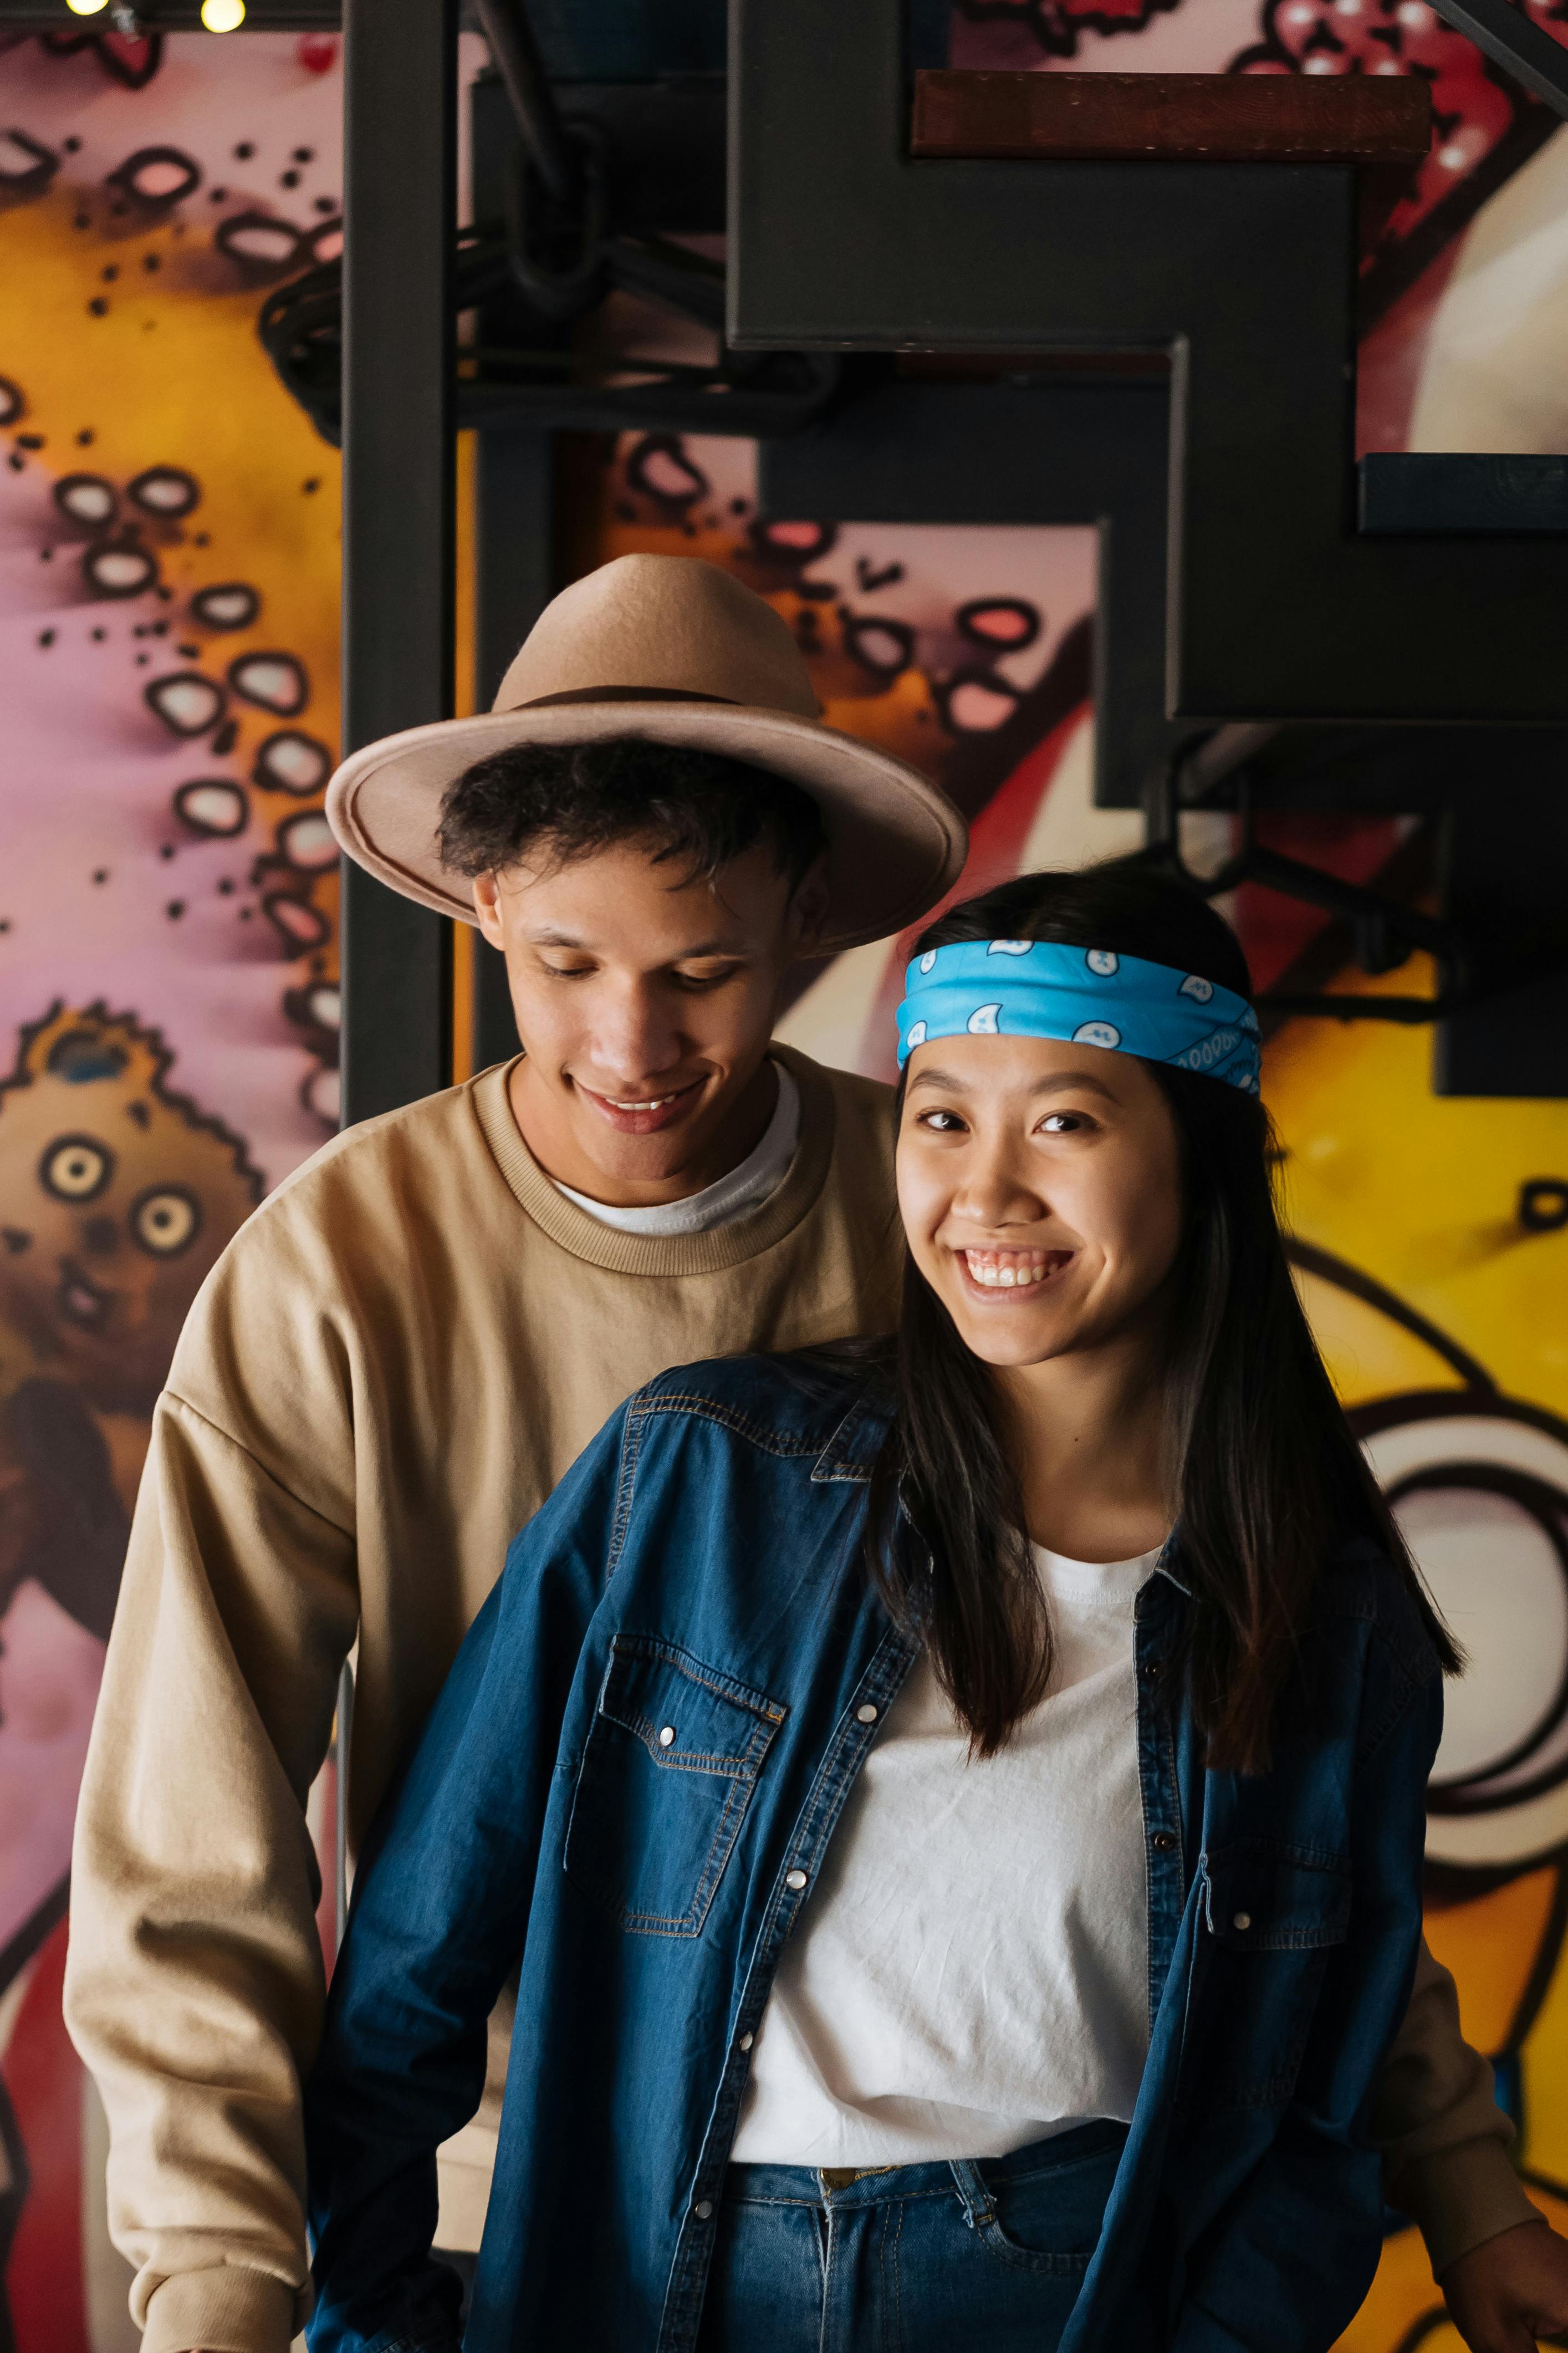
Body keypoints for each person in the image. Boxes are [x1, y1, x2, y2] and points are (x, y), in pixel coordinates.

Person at [62, 559, 1567, 2353]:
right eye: (564, 966)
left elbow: (1263, 1802)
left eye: (700, 970)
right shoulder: (337, 1274)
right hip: (480, 2190)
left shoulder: (955, 1218)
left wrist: (1464, 2179)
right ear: (483, 911)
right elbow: (188, 1852)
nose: (632, 1043)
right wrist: (227, 2282)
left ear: (808, 922)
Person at [299, 865, 1447, 2352]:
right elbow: (412, 1963)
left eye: (1068, 1121)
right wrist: (374, 2322)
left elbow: (1321, 2112)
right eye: (942, 1114)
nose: (987, 1190)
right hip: (663, 2286)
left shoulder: (1324, 1613)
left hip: (1063, 2288)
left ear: (1203, 1151)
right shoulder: (703, 1475)